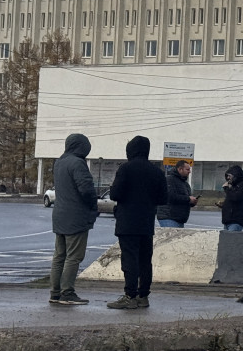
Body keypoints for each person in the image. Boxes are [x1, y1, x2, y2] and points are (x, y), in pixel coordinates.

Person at [106, 135, 168, 310]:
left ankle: (130, 295)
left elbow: (115, 194)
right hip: (147, 221)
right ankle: (144, 295)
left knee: (130, 259)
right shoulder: (157, 171)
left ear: (130, 150)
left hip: (127, 222)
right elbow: (163, 198)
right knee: (145, 260)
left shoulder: (126, 169)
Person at [48, 133, 99, 305]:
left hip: (60, 215)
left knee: (59, 256)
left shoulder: (60, 162)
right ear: (81, 147)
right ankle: (67, 292)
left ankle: (55, 292)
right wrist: (93, 206)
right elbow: (86, 189)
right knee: (74, 257)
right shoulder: (78, 163)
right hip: (76, 216)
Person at [156, 159, 198, 227]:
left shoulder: (185, 184)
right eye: (187, 169)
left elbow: (184, 200)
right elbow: (170, 196)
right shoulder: (169, 180)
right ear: (180, 169)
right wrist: (188, 199)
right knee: (171, 237)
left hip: (179, 219)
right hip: (168, 217)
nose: (189, 172)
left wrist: (192, 202)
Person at [216, 164, 243, 232]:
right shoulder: (233, 186)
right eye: (227, 176)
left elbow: (235, 197)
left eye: (230, 176)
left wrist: (226, 189)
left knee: (231, 241)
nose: (228, 178)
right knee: (226, 241)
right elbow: (232, 199)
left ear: (235, 176)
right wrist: (225, 204)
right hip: (227, 221)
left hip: (236, 221)